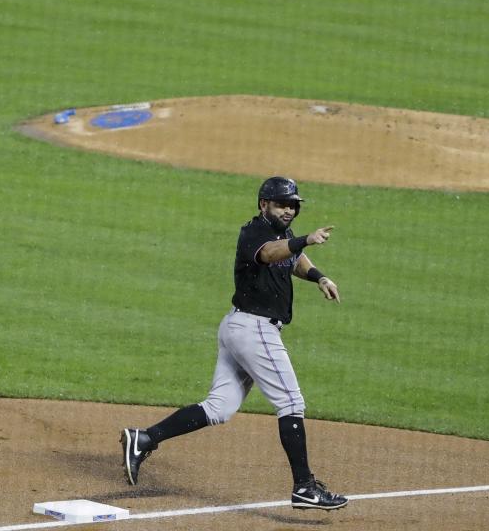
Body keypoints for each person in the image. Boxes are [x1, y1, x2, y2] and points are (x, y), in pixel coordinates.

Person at [120, 176, 348, 511]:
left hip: (240, 327)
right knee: (291, 403)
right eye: (282, 204)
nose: (288, 210)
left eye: (292, 205)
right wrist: (305, 239)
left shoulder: (281, 234)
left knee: (219, 407)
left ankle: (144, 438)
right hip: (255, 330)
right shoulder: (255, 233)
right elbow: (272, 254)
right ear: (263, 204)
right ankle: (304, 487)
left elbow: (292, 258)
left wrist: (319, 277)